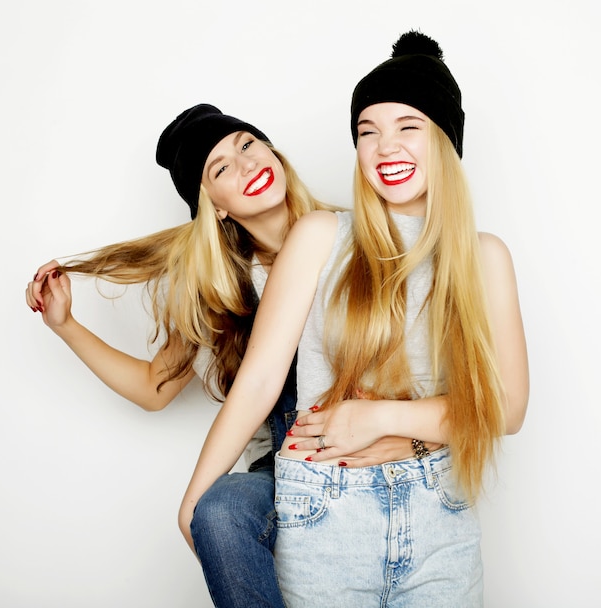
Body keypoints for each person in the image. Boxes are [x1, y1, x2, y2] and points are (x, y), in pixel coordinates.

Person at [179, 29, 529, 607]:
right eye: (368, 132)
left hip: (440, 512)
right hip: (323, 511)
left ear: (444, 140)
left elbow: (507, 409)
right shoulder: (320, 237)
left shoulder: (485, 257)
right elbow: (262, 380)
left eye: (407, 127)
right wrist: (194, 504)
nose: (385, 147)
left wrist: (376, 418)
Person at [25, 103, 399, 608]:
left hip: (378, 444)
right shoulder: (222, 290)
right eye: (220, 167)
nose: (245, 164)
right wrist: (66, 326)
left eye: (248, 144)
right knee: (219, 510)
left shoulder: (361, 235)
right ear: (215, 206)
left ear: (274, 154)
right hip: (286, 468)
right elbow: (155, 388)